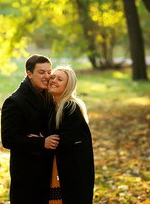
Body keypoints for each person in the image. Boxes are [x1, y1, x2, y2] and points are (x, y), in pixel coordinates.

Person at [1, 54, 60, 204]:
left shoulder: (49, 96)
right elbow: (8, 139)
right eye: (42, 72)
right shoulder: (14, 102)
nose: (47, 76)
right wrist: (42, 143)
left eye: (49, 72)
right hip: (27, 173)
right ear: (29, 74)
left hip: (48, 169)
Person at [48, 66, 95, 204]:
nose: (54, 81)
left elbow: (64, 141)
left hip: (75, 172)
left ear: (68, 86)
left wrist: (41, 141)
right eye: (53, 77)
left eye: (60, 79)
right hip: (64, 168)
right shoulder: (54, 106)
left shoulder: (70, 107)